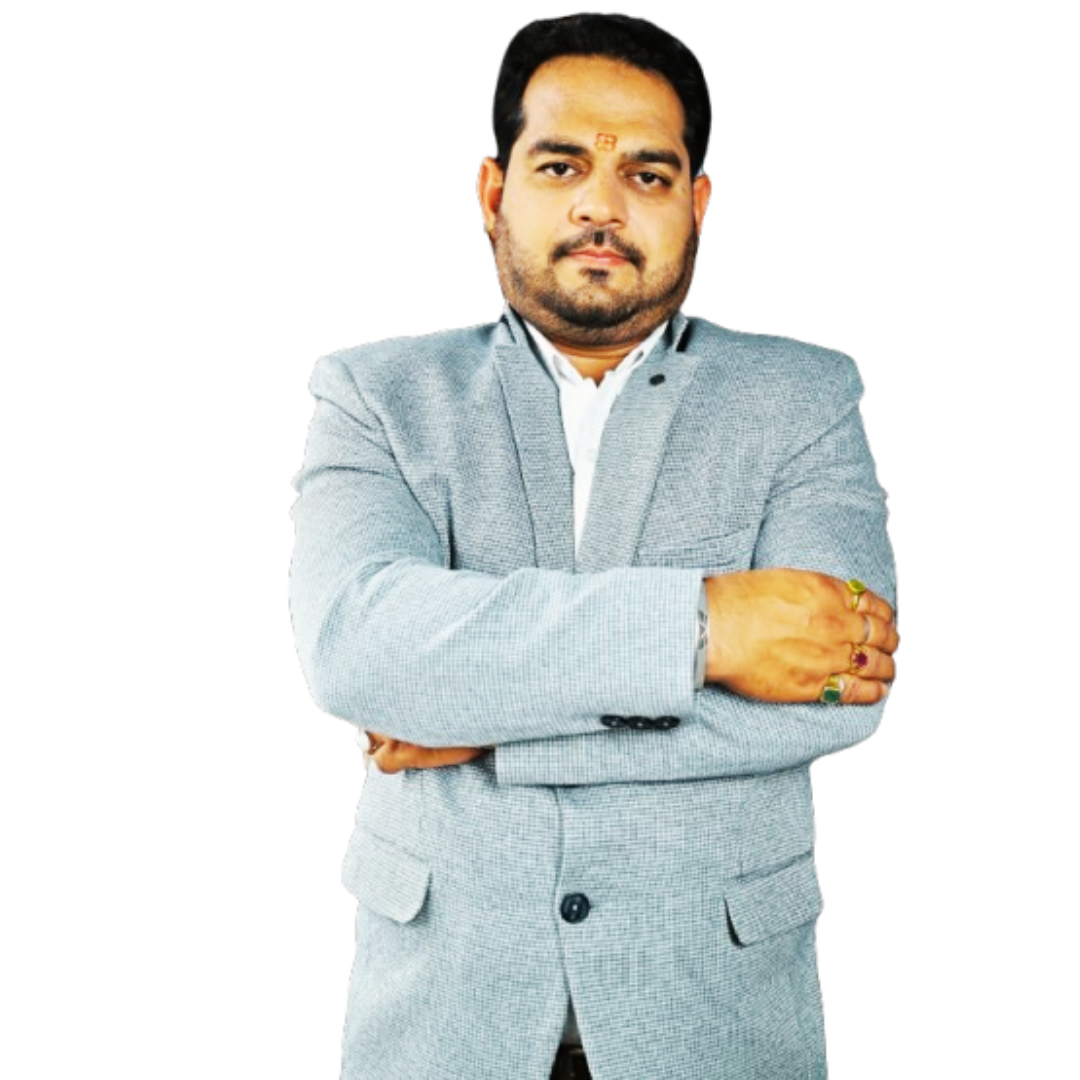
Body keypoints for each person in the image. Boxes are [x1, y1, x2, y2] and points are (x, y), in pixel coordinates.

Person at [289, 12, 898, 1080]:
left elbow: (841, 691)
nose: (600, 206)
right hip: (444, 1022)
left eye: (648, 175)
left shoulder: (806, 398)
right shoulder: (374, 396)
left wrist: (482, 734)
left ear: (697, 206)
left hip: (713, 1021)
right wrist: (708, 628)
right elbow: (358, 649)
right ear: (494, 194)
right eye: (562, 165)